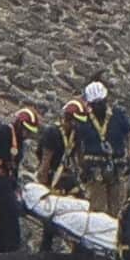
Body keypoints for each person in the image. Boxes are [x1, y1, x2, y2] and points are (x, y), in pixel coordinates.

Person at [0, 107, 39, 253]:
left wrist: (15, 186)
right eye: (25, 129)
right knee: (11, 210)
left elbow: (14, 166)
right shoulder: (4, 131)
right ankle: (13, 248)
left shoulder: (20, 142)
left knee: (5, 213)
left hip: (7, 180)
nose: (27, 134)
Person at [75, 81, 130, 215]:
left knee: (118, 209)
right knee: (97, 210)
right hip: (95, 170)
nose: (98, 107)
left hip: (117, 168)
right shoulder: (84, 119)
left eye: (100, 103)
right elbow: (78, 143)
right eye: (94, 104)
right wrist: (82, 166)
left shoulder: (118, 115)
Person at [35, 99, 88, 252]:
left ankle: (79, 247)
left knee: (81, 205)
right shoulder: (52, 133)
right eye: (74, 121)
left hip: (67, 176)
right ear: (67, 119)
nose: (76, 125)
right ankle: (45, 249)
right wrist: (44, 188)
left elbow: (78, 157)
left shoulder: (75, 134)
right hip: (52, 177)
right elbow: (45, 163)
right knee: (51, 213)